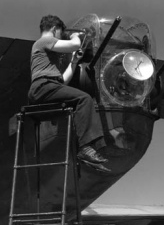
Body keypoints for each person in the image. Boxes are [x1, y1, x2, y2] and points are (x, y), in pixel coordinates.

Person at [28, 15, 110, 172]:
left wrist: (74, 62)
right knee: (84, 99)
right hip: (43, 87)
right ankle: (86, 149)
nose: (61, 37)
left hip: (44, 89)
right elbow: (74, 44)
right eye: (60, 33)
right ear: (54, 29)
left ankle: (87, 148)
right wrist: (75, 36)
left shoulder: (45, 57)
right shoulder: (44, 40)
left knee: (78, 101)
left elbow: (62, 83)